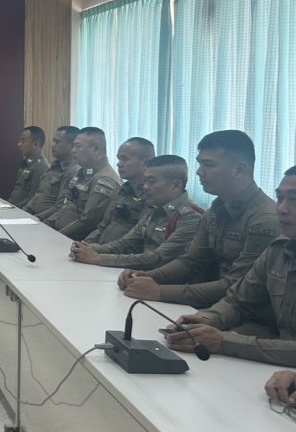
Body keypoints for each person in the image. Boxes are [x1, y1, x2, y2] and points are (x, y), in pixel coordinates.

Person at [119, 130, 279, 306]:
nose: (199, 172)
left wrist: (160, 292)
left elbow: (237, 286)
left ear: (239, 170)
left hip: (243, 313)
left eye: (208, 165)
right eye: (200, 164)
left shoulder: (263, 220)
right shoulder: (216, 211)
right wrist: (145, 276)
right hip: (217, 305)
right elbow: (191, 262)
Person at [163, 167, 296, 365]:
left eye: (294, 200)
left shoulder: (264, 221)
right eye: (280, 198)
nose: (282, 209)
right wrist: (207, 319)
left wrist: (224, 341)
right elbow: (238, 301)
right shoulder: (280, 249)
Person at [70, 155, 203, 270]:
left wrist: (97, 258)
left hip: (164, 284)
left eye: (151, 181)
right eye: (145, 181)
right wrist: (87, 248)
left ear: (175, 186)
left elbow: (157, 258)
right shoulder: (154, 208)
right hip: (141, 276)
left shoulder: (190, 218)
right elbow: (125, 244)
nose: (145, 187)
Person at [46, 127, 121, 240]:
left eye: (78, 146)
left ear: (96, 149)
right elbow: (66, 206)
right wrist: (46, 224)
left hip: (74, 240)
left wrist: (56, 236)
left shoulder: (104, 180)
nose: (73, 150)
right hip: (59, 233)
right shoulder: (82, 172)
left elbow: (88, 222)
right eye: (73, 146)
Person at [81, 137, 155, 244]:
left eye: (125, 159)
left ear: (145, 162)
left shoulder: (151, 195)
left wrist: (95, 251)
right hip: (100, 248)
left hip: (119, 252)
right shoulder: (123, 189)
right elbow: (103, 227)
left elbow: (137, 241)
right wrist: (84, 244)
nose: (119, 164)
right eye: (119, 159)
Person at [25, 126, 79, 218]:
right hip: (32, 215)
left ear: (72, 146)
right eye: (53, 141)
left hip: (45, 220)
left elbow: (60, 207)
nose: (52, 145)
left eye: (57, 142)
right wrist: (24, 211)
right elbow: (38, 195)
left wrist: (37, 218)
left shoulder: (72, 171)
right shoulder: (55, 165)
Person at [8, 126, 49, 207]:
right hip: (12, 206)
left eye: (23, 141)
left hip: (21, 211)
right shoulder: (27, 163)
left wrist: (12, 209)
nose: (19, 144)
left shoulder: (41, 167)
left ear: (35, 144)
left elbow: (33, 198)